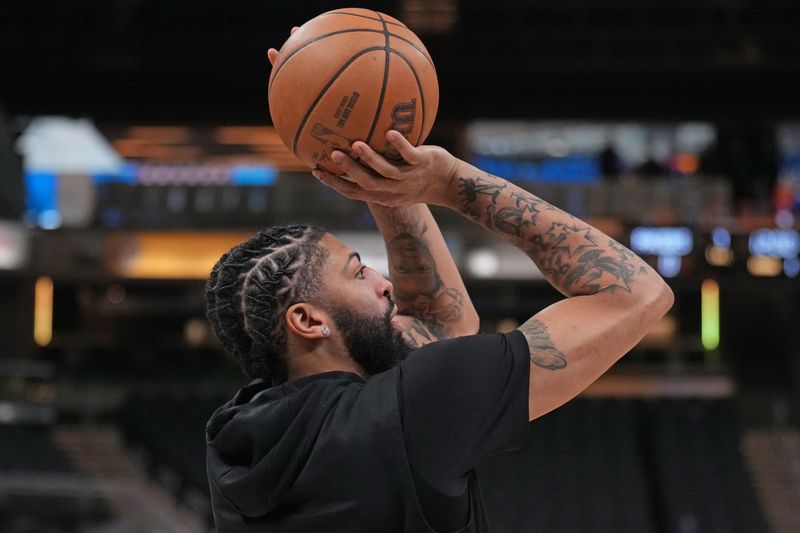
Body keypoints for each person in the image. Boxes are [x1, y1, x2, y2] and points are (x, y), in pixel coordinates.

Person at [204, 35, 673, 533]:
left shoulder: (235, 442)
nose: (384, 283)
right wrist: (449, 182)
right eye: (359, 272)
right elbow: (635, 292)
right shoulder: (412, 412)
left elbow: (438, 320)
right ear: (307, 319)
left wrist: (373, 166)